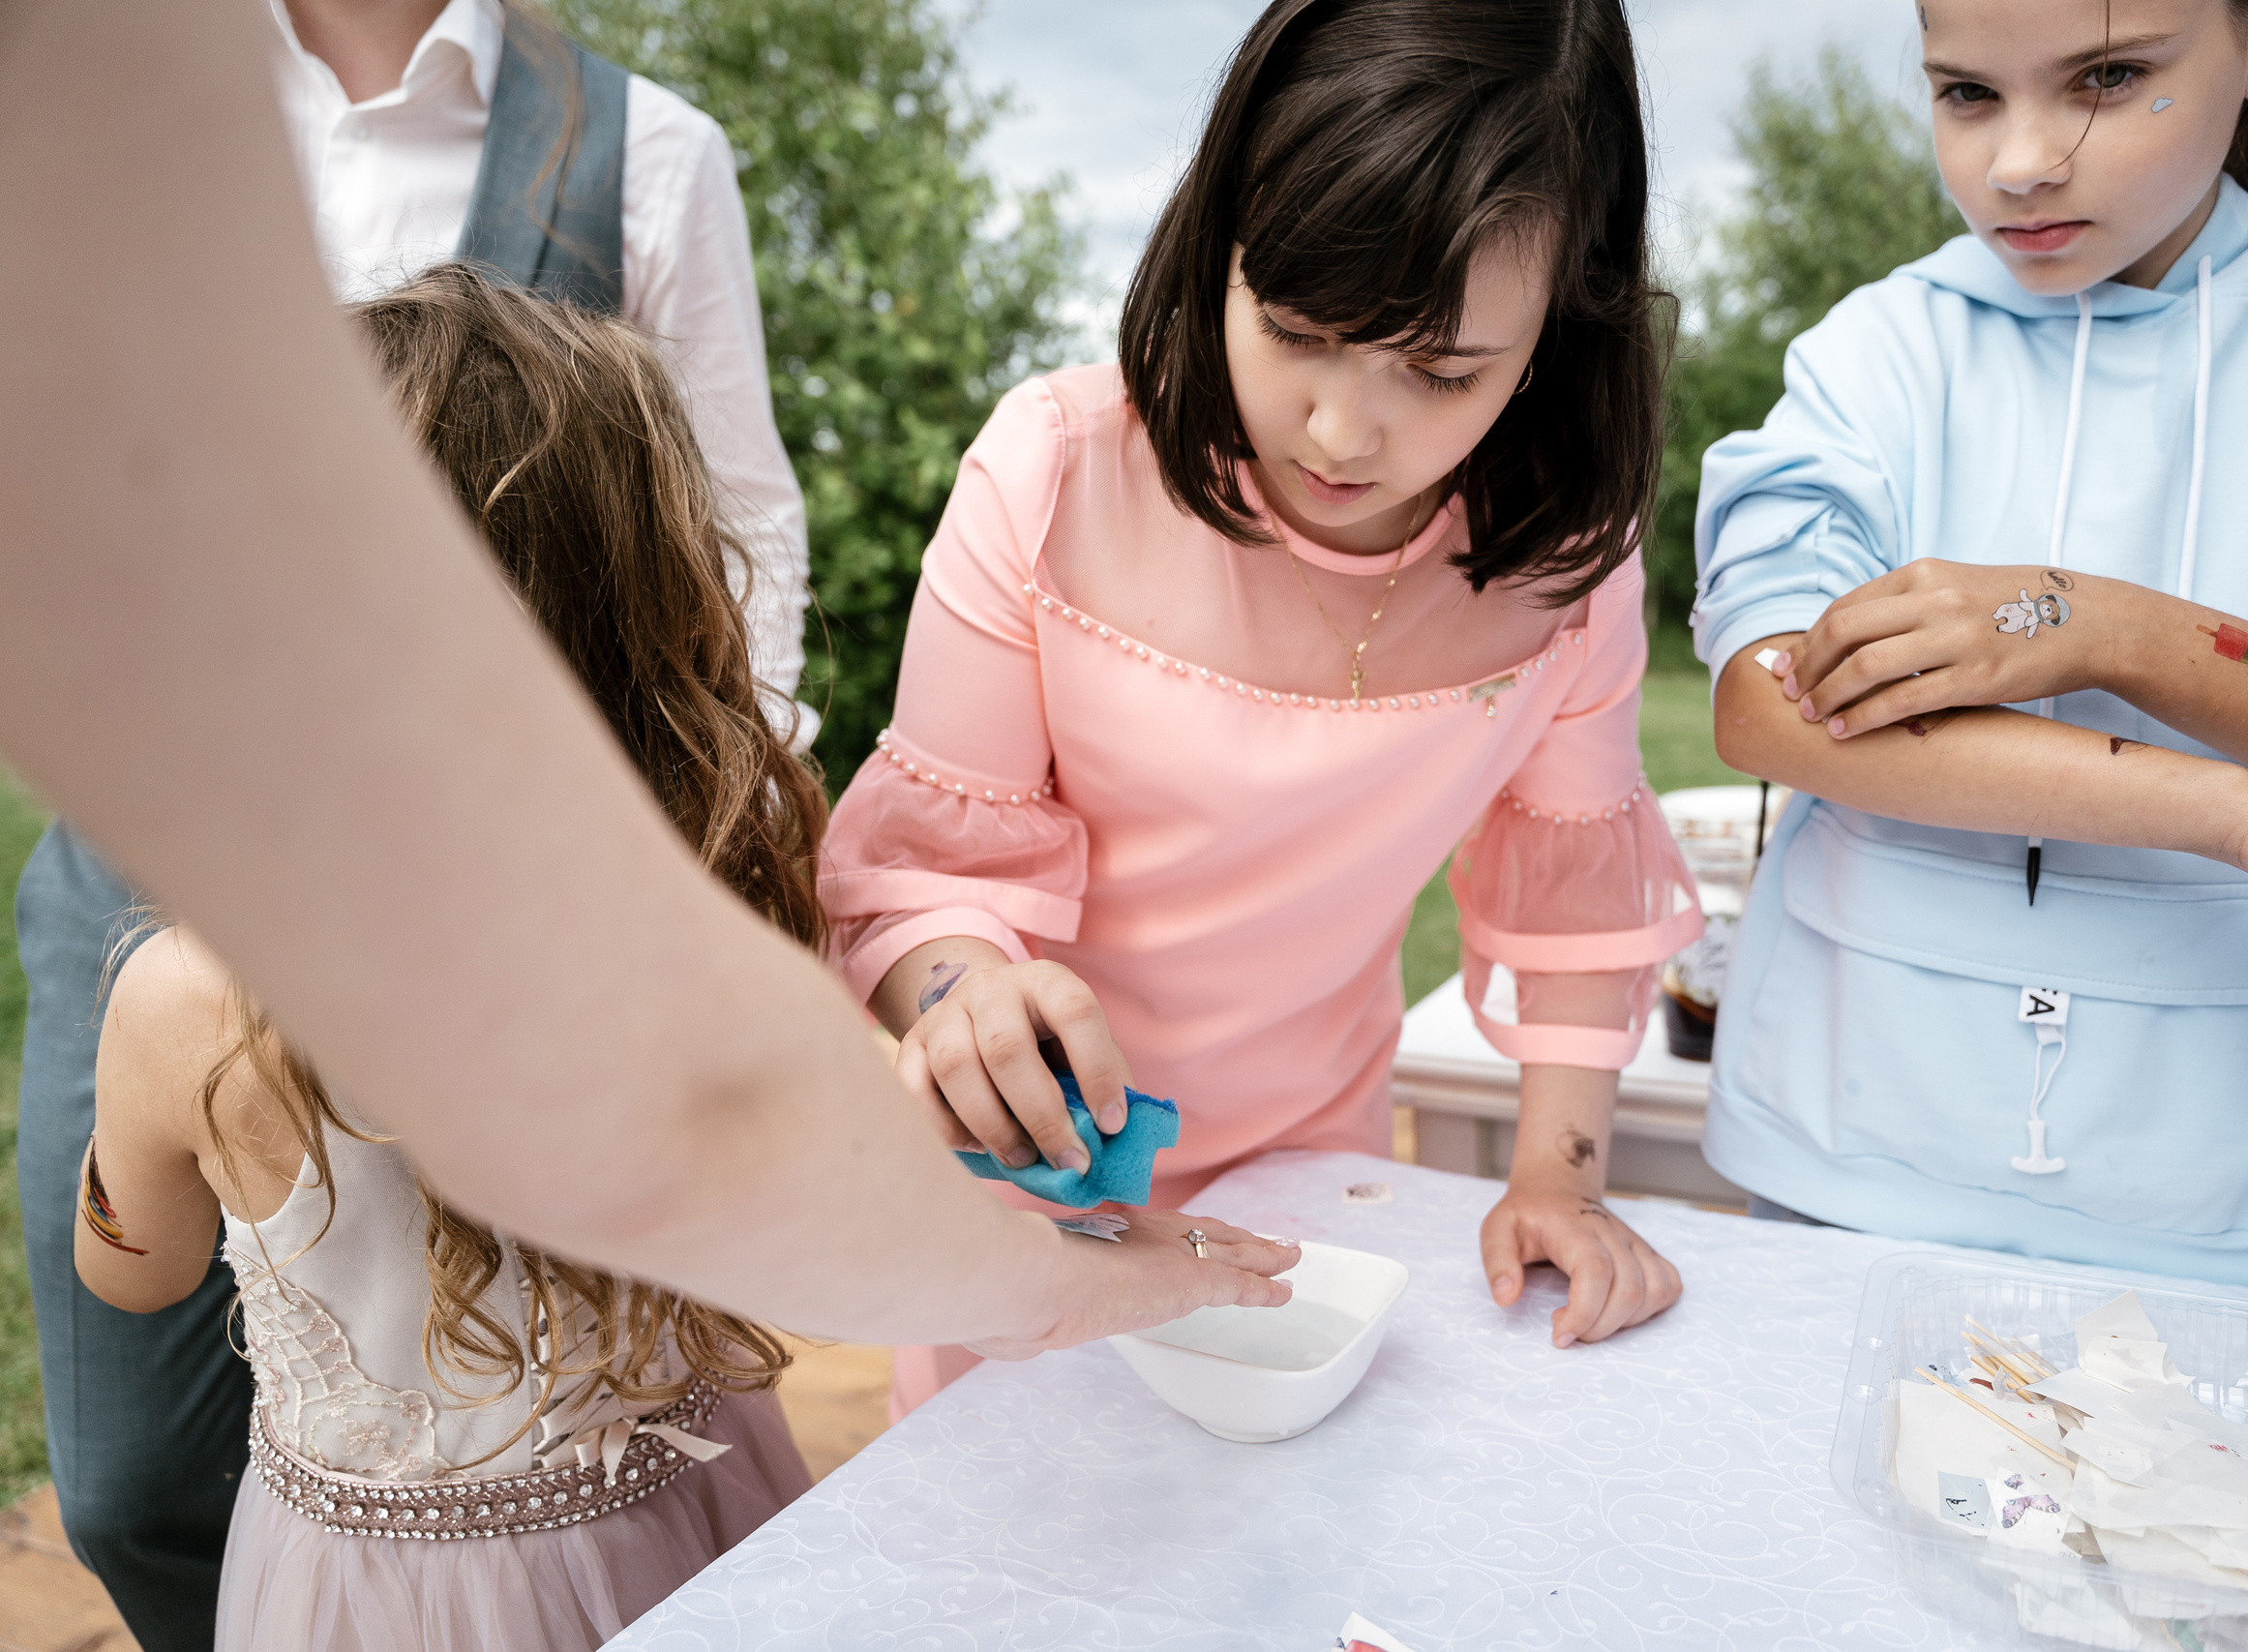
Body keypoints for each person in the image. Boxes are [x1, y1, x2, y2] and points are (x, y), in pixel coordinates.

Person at [1, 0, 1297, 1633]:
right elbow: (783, 1207)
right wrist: (1073, 1281)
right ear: (654, 626)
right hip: (682, 1527)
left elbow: (132, 1267)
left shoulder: (181, 1003)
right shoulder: (681, 956)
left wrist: (131, 1170)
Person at [15, 2, 810, 1639]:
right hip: (672, 1520)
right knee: (126, 1482)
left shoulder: (650, 152)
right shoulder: (92, 103)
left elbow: (131, 1258)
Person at [820, 0, 1708, 1419]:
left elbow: (1573, 904)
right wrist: (967, 1000)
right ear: (1216, 237)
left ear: (1560, 323)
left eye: (1441, 370)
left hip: (1319, 1181)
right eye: (1298, 330)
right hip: (1031, 1189)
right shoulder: (1055, 476)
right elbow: (921, 881)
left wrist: (1558, 1178)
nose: (1345, 434)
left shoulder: (1564, 569)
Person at [1694, 0, 2248, 1303]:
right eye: (1967, 94)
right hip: (1847, 1188)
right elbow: (1766, 708)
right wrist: (2245, 818)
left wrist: (2102, 626)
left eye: (2106, 77)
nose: (2020, 162)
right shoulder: (1880, 350)